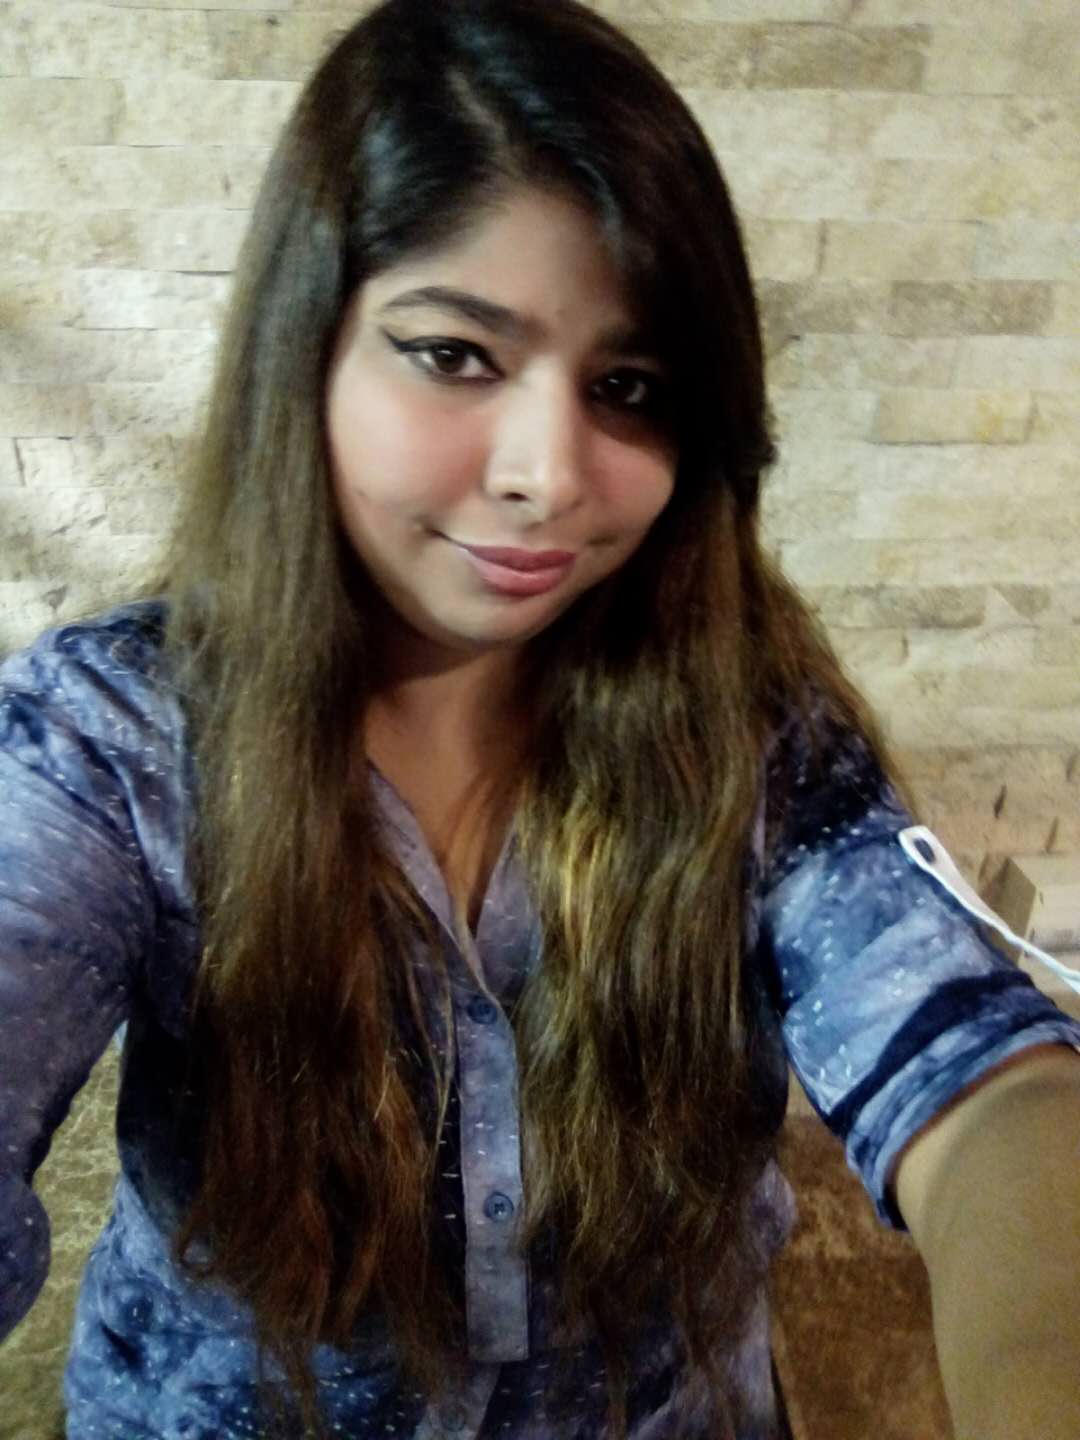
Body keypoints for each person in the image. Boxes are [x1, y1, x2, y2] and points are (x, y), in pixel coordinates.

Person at [2, 1, 1078, 1437]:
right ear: (305, 349)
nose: (550, 475)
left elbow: (980, 1079)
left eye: (629, 389)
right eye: (456, 354)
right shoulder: (106, 740)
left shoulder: (751, 725)